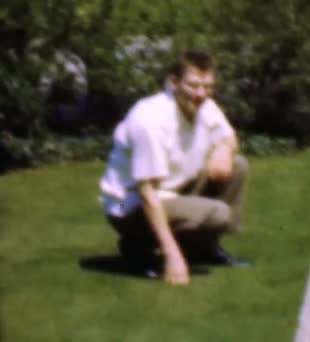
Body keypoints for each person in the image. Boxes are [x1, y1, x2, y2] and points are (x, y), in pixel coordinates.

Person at [99, 49, 248, 286]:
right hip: (130, 206)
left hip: (174, 190)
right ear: (173, 82)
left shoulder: (204, 106)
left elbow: (229, 136)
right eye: (193, 85)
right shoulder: (151, 120)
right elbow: (147, 192)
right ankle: (139, 244)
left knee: (238, 165)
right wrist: (172, 256)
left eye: (208, 86)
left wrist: (224, 149)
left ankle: (203, 248)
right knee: (219, 213)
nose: (201, 94)